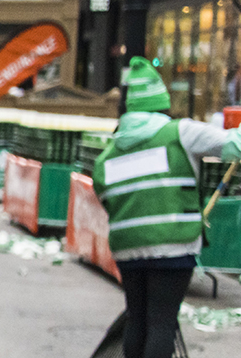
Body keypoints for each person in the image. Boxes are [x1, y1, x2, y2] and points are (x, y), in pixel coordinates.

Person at [93, 57, 241, 358]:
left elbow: (105, 195)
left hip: (127, 248)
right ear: (161, 102)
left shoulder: (107, 155)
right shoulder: (179, 133)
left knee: (138, 318)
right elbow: (234, 146)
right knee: (162, 321)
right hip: (173, 245)